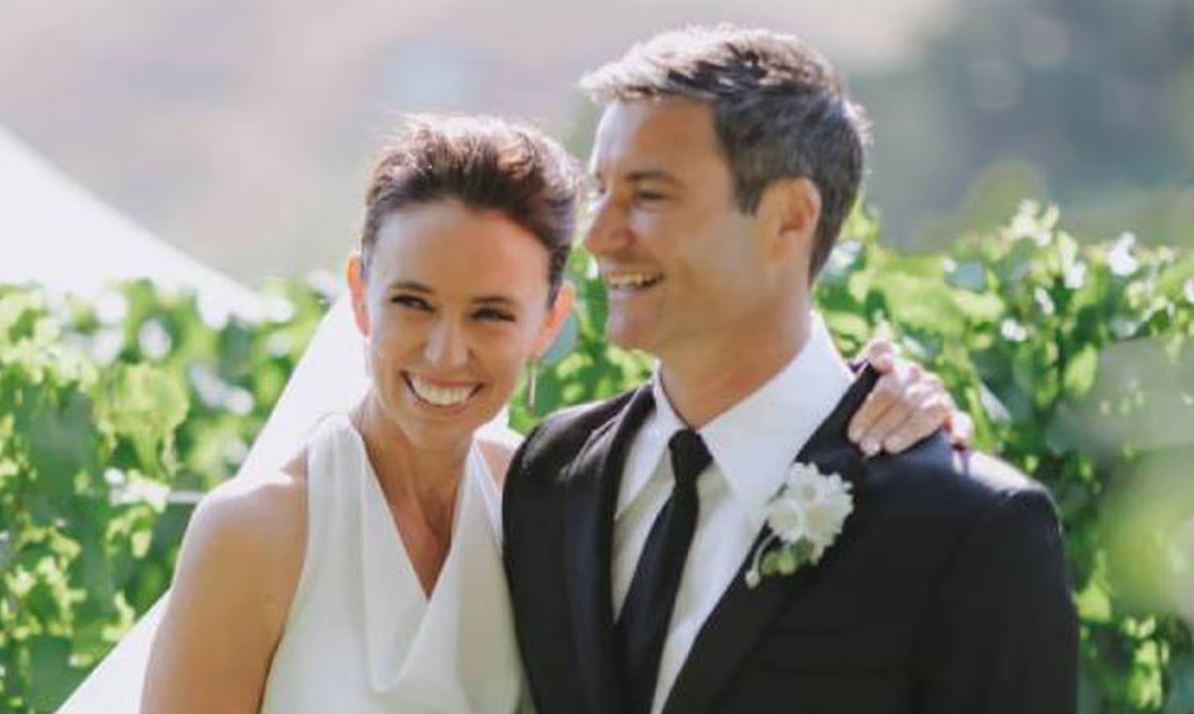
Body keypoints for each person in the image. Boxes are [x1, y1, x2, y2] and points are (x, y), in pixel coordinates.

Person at [131, 114, 967, 713]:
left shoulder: (553, 495)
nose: (445, 353)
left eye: (490, 313)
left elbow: (731, 418)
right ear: (359, 294)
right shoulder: (259, 531)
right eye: (413, 303)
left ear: (549, 322)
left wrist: (889, 396)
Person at [502, 26, 1079, 714]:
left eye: (648, 196)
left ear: (788, 218)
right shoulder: (550, 473)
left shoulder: (971, 530)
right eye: (600, 190)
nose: (597, 236)